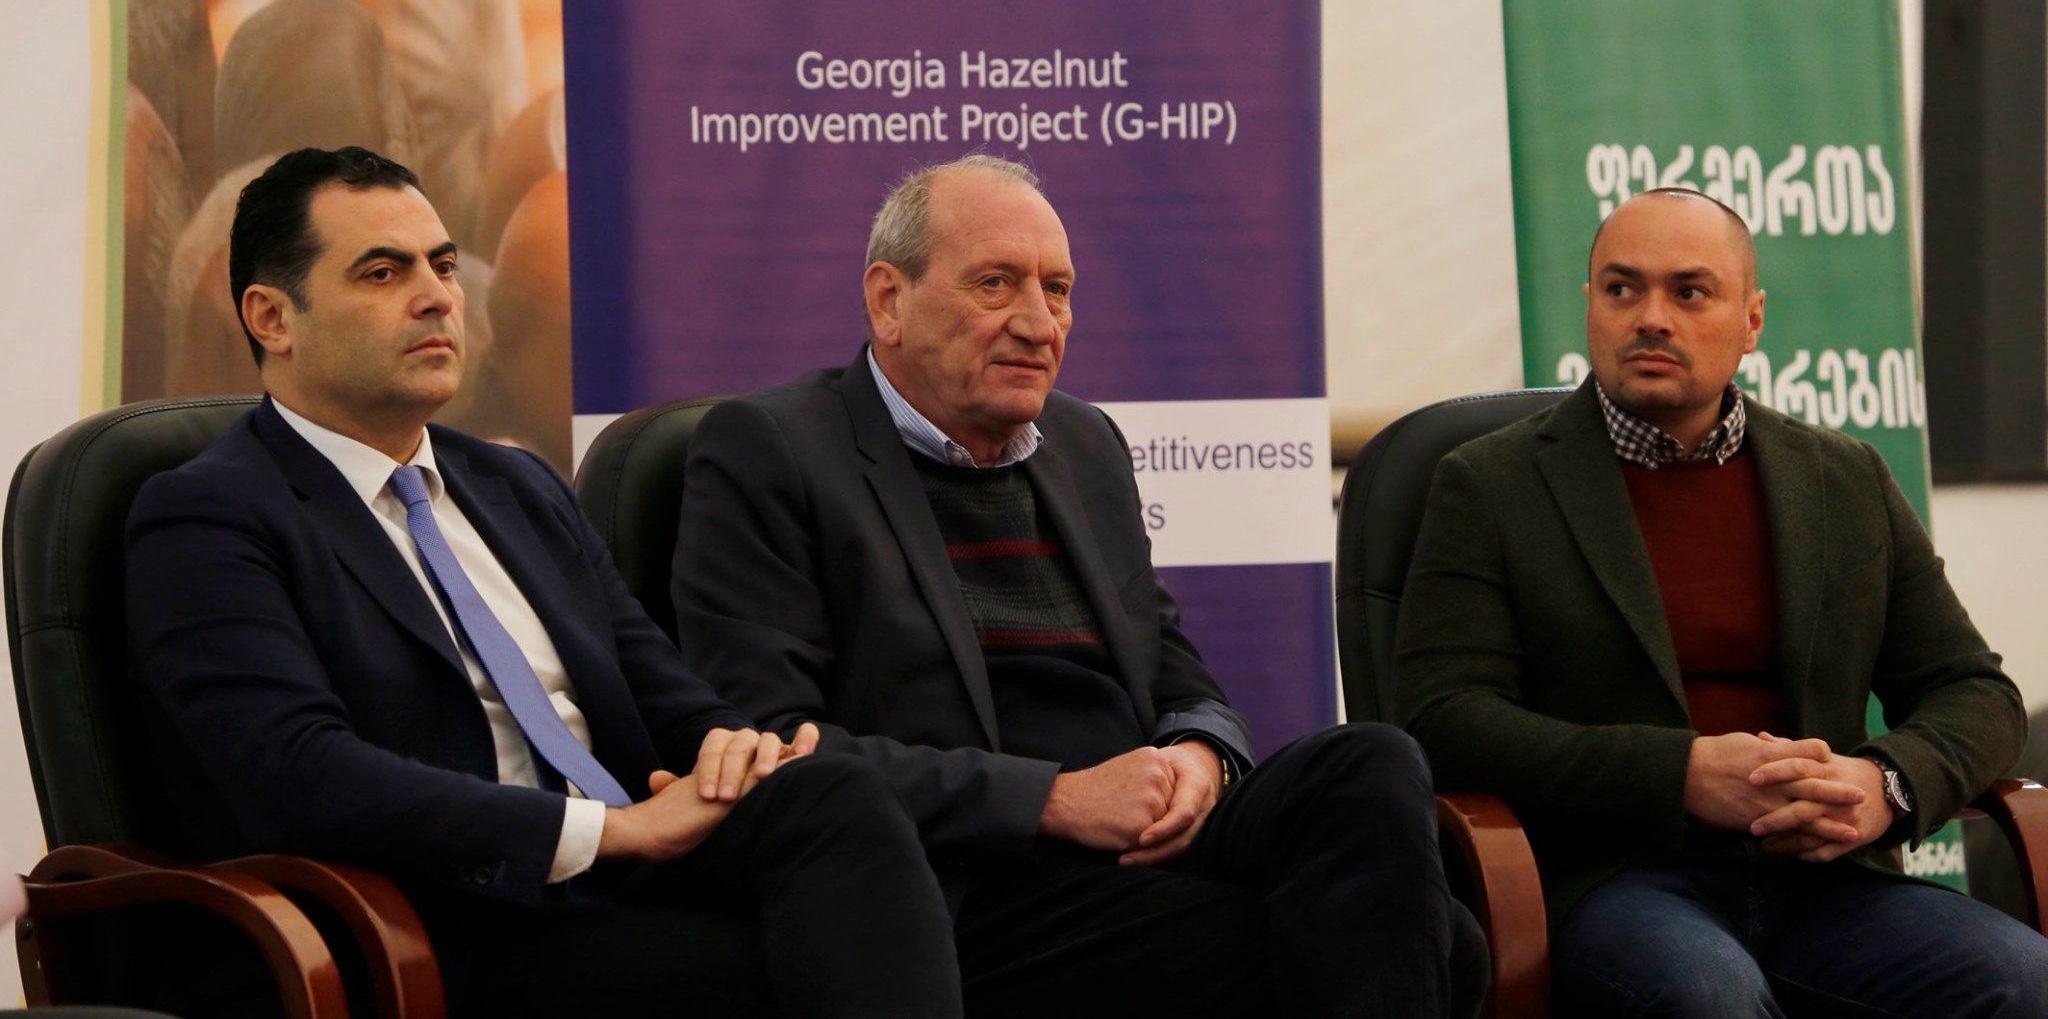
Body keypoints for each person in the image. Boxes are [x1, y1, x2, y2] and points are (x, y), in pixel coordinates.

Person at [127, 146, 960, 1018]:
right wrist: (608, 831)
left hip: (619, 877)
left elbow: (662, 693)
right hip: (439, 917)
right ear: (272, 317)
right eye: (382, 272)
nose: (438, 296)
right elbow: (300, 773)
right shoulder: (209, 515)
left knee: (836, 796)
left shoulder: (515, 485)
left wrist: (734, 751)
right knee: (807, 963)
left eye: (443, 265)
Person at [672, 153, 1486, 1018]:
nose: (1038, 322)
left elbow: (1175, 671)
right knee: (1433, 945)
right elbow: (768, 744)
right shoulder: (773, 449)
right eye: (996, 283)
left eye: (1057, 289)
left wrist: (1200, 754)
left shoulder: (1085, 442)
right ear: (888, 299)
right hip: (969, 881)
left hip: (1147, 837)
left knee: (1370, 761)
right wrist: (1052, 800)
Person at [1395, 186, 2048, 1016]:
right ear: (1590, 305)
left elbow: (1975, 691)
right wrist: (1681, 774)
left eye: (1689, 291)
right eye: (1622, 288)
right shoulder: (1490, 484)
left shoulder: (1841, 478)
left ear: (1752, 320)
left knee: (2025, 980)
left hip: (1825, 881)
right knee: (1711, 999)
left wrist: (1883, 784)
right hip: (1616, 877)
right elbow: (1444, 717)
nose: (1651, 317)